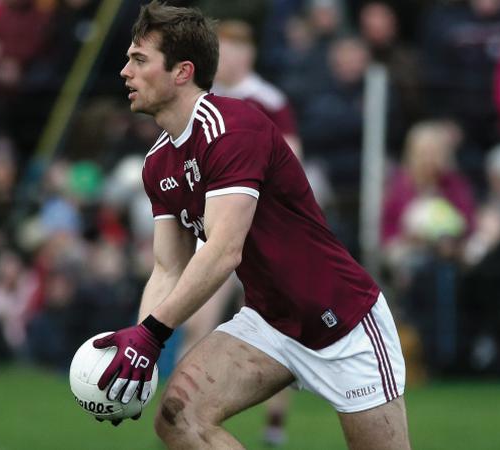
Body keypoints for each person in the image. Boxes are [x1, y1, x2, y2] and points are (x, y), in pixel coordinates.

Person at [90, 3, 410, 449]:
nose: (125, 71)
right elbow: (167, 268)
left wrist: (150, 334)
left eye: (139, 60)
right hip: (270, 323)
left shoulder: (233, 127)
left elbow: (223, 251)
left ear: (182, 72)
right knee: (178, 418)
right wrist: (138, 352)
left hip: (342, 321)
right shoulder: (157, 162)